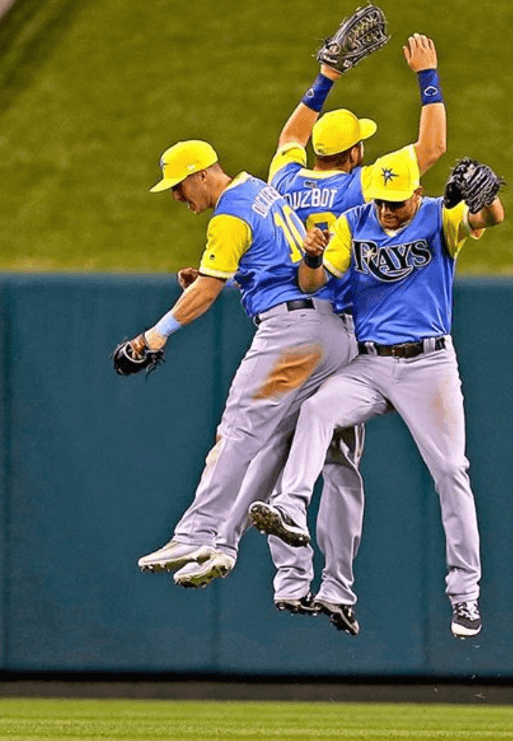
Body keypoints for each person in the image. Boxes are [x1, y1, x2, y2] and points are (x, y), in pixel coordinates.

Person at [177, 33, 449, 636]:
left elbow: (289, 138)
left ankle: (280, 573)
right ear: (356, 155)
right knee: (338, 467)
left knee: (271, 447)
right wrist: (427, 76)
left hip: (287, 318)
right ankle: (331, 586)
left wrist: (326, 75)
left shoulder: (286, 180)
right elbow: (430, 148)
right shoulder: (362, 188)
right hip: (340, 332)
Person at [248, 147, 505, 640]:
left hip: (429, 364)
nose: (387, 210)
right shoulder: (353, 221)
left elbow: (489, 218)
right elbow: (314, 281)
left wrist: (489, 196)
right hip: (371, 362)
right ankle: (291, 507)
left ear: (417, 191)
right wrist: (312, 255)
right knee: (317, 409)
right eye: (381, 200)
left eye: (396, 201)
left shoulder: (437, 216)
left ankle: (465, 595)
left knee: (452, 471)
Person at [131, 139, 356, 589]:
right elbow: (275, 256)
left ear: (202, 174)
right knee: (270, 445)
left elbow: (206, 294)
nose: (177, 197)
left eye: (179, 186)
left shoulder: (228, 215)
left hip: (293, 335)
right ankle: (224, 542)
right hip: (334, 332)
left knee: (236, 432)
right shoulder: (258, 189)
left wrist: (151, 338)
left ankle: (194, 531)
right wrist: (232, 274)